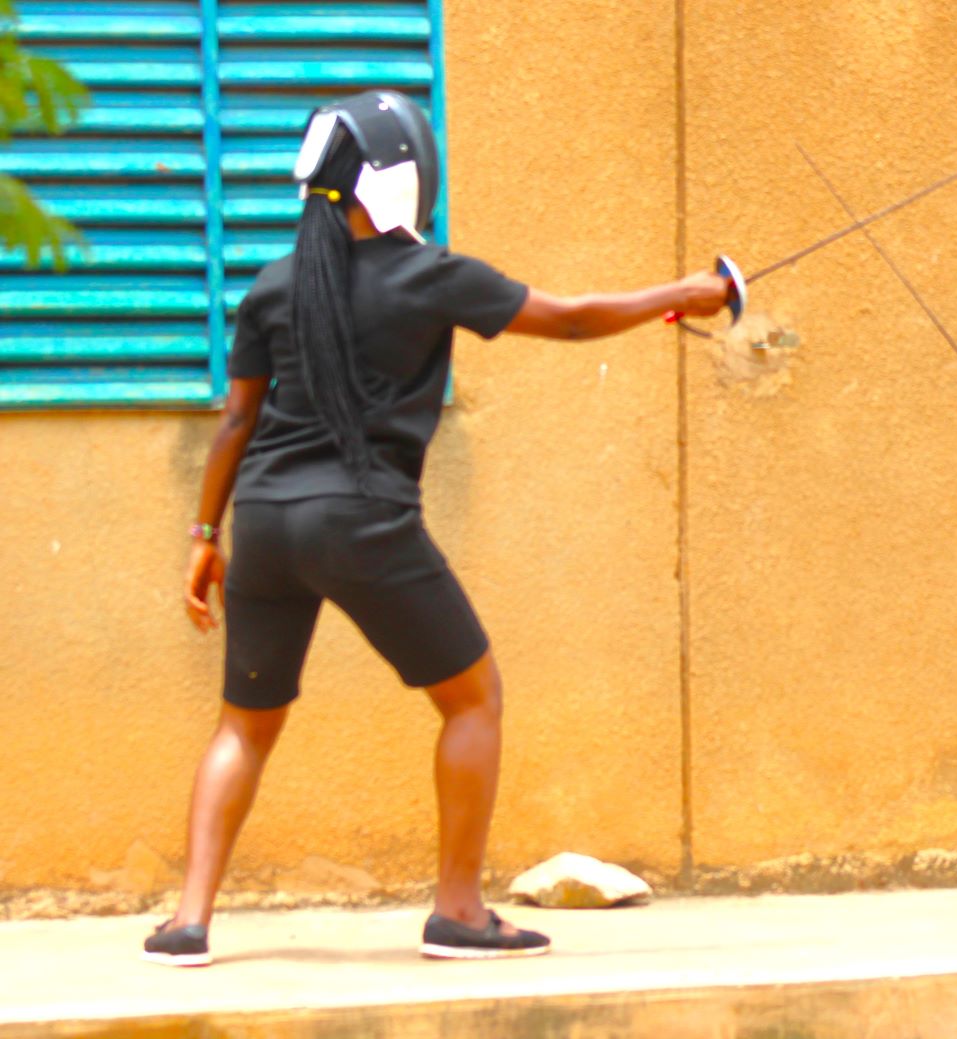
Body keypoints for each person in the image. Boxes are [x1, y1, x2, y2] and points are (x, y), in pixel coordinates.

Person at [143, 91, 731, 966]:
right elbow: (571, 319)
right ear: (404, 179)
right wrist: (687, 293)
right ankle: (459, 912)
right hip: (362, 522)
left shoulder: (273, 286)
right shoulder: (432, 276)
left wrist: (204, 536)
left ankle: (187, 923)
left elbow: (236, 422)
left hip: (263, 523)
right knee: (471, 698)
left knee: (244, 725)